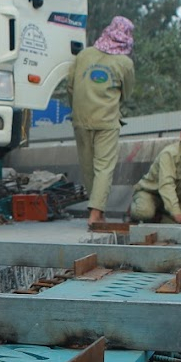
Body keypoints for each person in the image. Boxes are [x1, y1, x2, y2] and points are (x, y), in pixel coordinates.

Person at [70, 16, 136, 226]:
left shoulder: (84, 54)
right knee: (104, 167)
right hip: (106, 119)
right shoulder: (125, 62)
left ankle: (96, 209)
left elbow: (70, 86)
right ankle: (96, 213)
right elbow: (127, 93)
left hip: (81, 118)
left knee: (88, 166)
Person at [129, 115, 181, 224]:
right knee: (145, 212)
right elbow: (166, 185)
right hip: (151, 194)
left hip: (175, 199)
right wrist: (177, 215)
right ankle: (135, 211)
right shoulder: (169, 154)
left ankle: (160, 217)